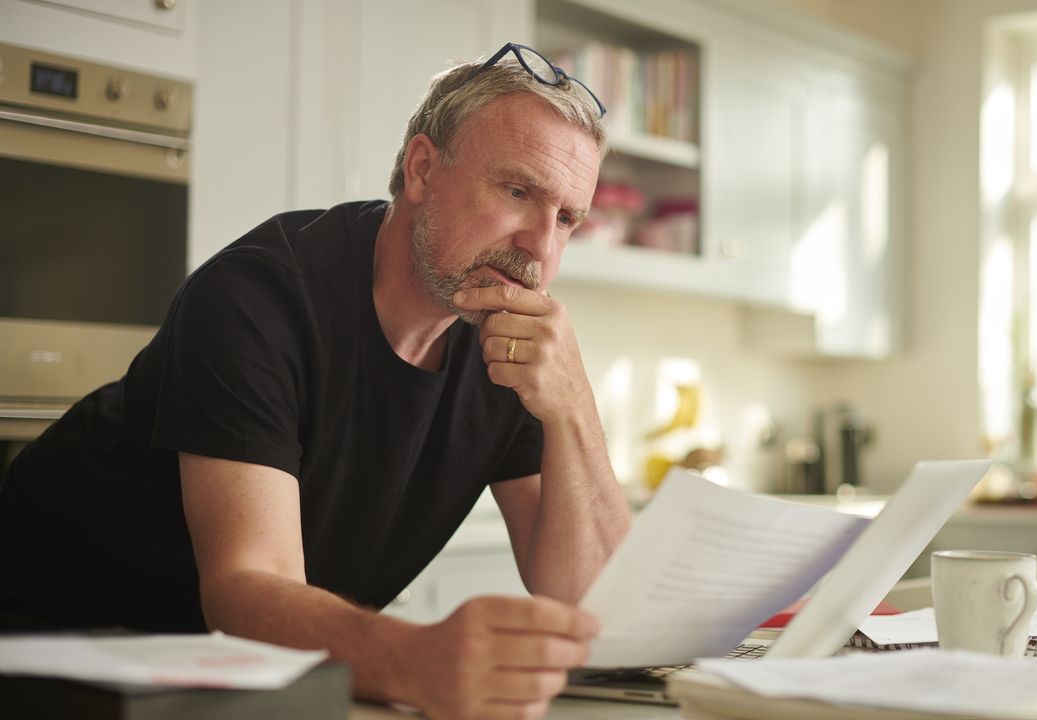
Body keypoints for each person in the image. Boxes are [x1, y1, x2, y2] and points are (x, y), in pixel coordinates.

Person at [0, 43, 631, 719]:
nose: (540, 247)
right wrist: (414, 659)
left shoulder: (508, 340)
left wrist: (573, 410)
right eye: (516, 192)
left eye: (567, 219)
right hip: (46, 649)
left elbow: (602, 615)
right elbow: (247, 586)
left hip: (232, 686)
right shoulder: (260, 296)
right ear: (422, 169)